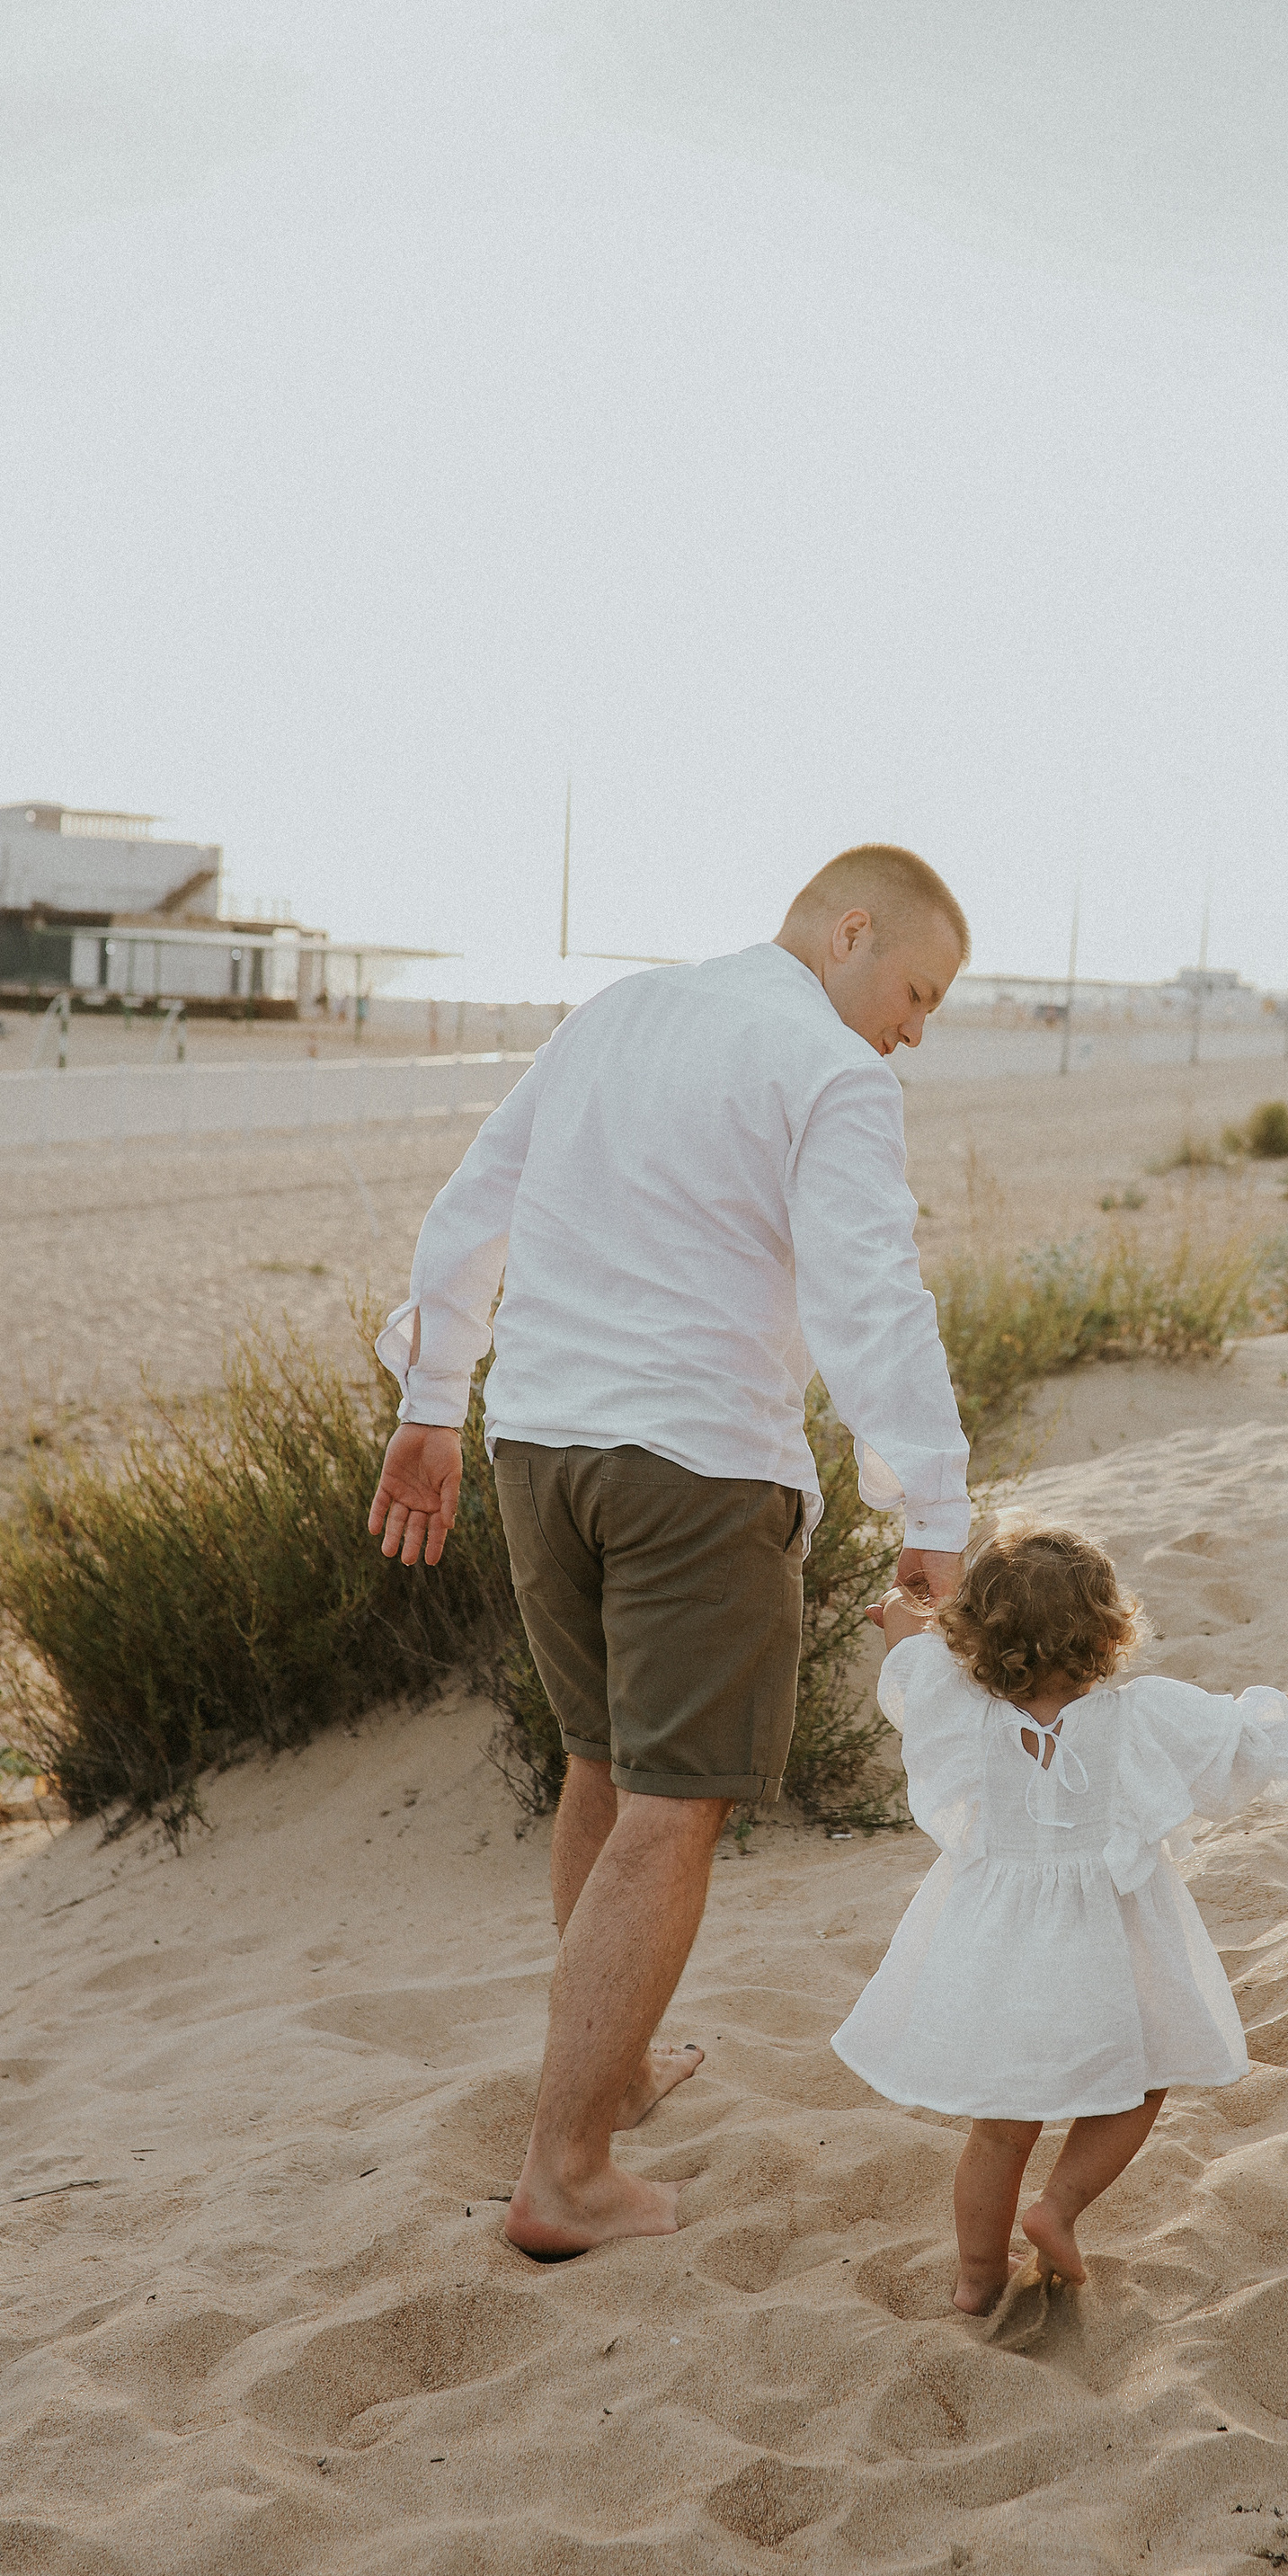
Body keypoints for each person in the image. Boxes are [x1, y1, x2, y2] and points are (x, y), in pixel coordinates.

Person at [367, 843, 975, 2256]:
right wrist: (930, 1511)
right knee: (671, 1809)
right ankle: (567, 2169)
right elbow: (871, 1299)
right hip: (694, 1472)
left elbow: (478, 1195)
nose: (916, 1027)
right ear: (851, 928)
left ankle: (616, 2070)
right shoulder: (835, 1074)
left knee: (602, 1762)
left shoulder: (620, 1012)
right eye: (917, 989)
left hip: (542, 1454)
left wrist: (430, 1396)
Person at [833, 1523, 1288, 2310]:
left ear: (975, 1635)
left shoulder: (956, 1711)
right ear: (1108, 1630)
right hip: (1105, 1945)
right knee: (1143, 2081)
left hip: (995, 1946)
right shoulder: (1140, 1716)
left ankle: (976, 2281)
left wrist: (906, 1607)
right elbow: (1236, 1734)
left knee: (1000, 2128)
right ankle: (1057, 2207)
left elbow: (909, 1655)